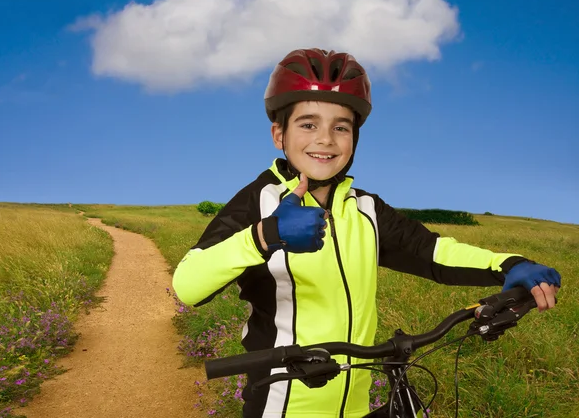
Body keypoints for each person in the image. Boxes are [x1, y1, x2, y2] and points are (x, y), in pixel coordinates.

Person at [173, 48, 561, 418]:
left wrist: (507, 264)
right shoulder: (257, 202)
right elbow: (188, 285)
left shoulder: (366, 209)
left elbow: (431, 251)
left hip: (357, 403)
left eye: (340, 127)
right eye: (308, 124)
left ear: (354, 138)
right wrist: (263, 236)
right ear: (279, 135)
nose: (325, 139)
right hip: (281, 405)